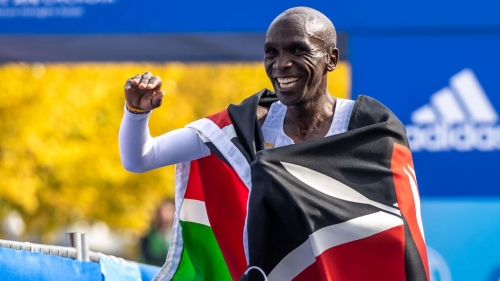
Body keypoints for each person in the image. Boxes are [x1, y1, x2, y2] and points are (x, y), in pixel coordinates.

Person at [120, 7, 429, 281]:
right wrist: (136, 112)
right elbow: (140, 158)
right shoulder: (245, 126)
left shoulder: (369, 127)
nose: (281, 64)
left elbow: (399, 231)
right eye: (271, 53)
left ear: (330, 59)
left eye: (298, 51)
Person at [139, 200, 174, 267]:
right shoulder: (148, 235)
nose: (168, 215)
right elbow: (147, 255)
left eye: (170, 211)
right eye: (165, 211)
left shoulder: (177, 236)